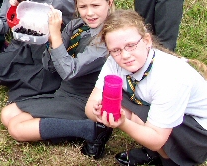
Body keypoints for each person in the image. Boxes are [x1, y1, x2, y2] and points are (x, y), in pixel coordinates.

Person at [1, 0, 114, 160]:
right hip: (63, 93)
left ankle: (90, 128)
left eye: (95, 5)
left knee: (16, 128)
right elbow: (50, 67)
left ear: (109, 3)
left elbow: (70, 71)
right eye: (83, 6)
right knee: (7, 114)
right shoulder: (76, 26)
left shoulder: (108, 38)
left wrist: (56, 38)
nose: (89, 13)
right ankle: (71, 125)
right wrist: (46, 37)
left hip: (84, 102)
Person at [86, 10, 207, 166]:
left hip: (198, 134)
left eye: (130, 45)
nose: (125, 55)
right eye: (115, 50)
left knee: (137, 117)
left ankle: (170, 161)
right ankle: (153, 153)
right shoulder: (113, 62)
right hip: (168, 116)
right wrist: (99, 110)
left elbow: (156, 139)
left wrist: (123, 123)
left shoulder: (171, 77)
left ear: (147, 41)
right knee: (122, 105)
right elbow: (90, 107)